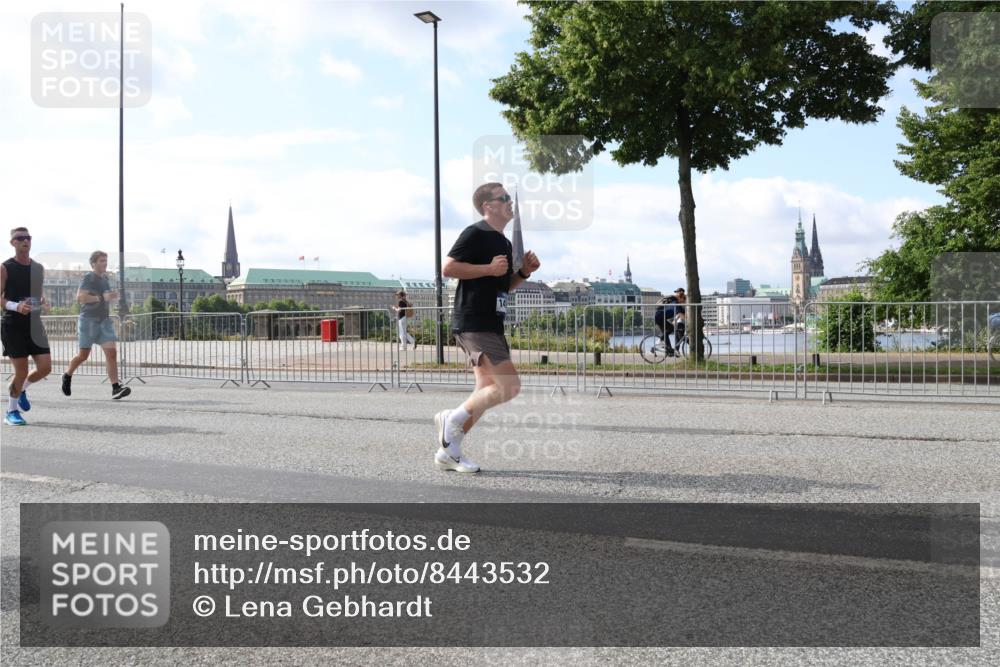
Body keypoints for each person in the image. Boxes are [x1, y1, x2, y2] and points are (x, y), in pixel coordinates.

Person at [432, 182, 541, 473]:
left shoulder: (503, 242)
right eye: (503, 198)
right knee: (509, 386)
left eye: (509, 198)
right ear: (487, 206)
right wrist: (487, 269)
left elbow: (503, 286)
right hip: (474, 319)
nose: (510, 202)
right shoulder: (475, 233)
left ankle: (449, 452)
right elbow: (449, 268)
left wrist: (523, 273)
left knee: (486, 388)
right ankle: (451, 420)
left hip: (492, 321)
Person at [61, 250, 132, 400]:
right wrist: (101, 297)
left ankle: (115, 388)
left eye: (106, 260)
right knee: (83, 355)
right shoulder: (89, 277)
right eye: (101, 261)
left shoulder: (105, 280)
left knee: (112, 353)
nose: (104, 263)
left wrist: (111, 297)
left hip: (104, 321)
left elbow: (104, 297)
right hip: (89, 321)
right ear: (93, 263)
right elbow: (80, 297)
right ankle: (67, 375)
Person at [1, 227, 52, 426]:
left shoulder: (38, 268)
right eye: (19, 238)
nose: (25, 241)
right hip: (13, 325)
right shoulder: (5, 267)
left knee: (46, 368)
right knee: (20, 371)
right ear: (12, 243)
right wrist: (16, 306)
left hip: (34, 324)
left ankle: (22, 389)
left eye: (27, 238)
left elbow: (38, 295)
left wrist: (43, 303)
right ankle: (11, 411)